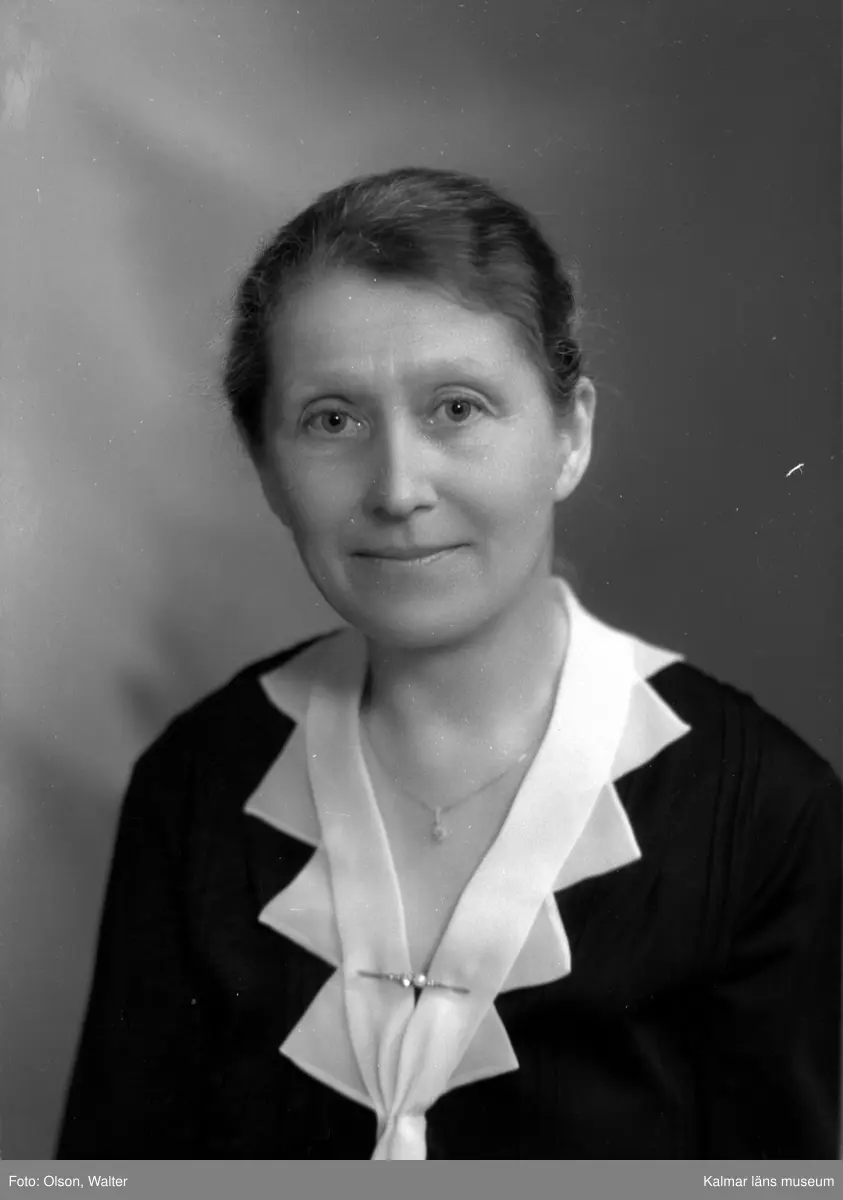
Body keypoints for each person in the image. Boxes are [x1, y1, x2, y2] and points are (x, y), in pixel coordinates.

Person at [57, 166, 841, 1161]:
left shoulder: (764, 810)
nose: (397, 488)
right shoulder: (193, 782)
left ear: (569, 434)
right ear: (267, 469)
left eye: (458, 409)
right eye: (332, 419)